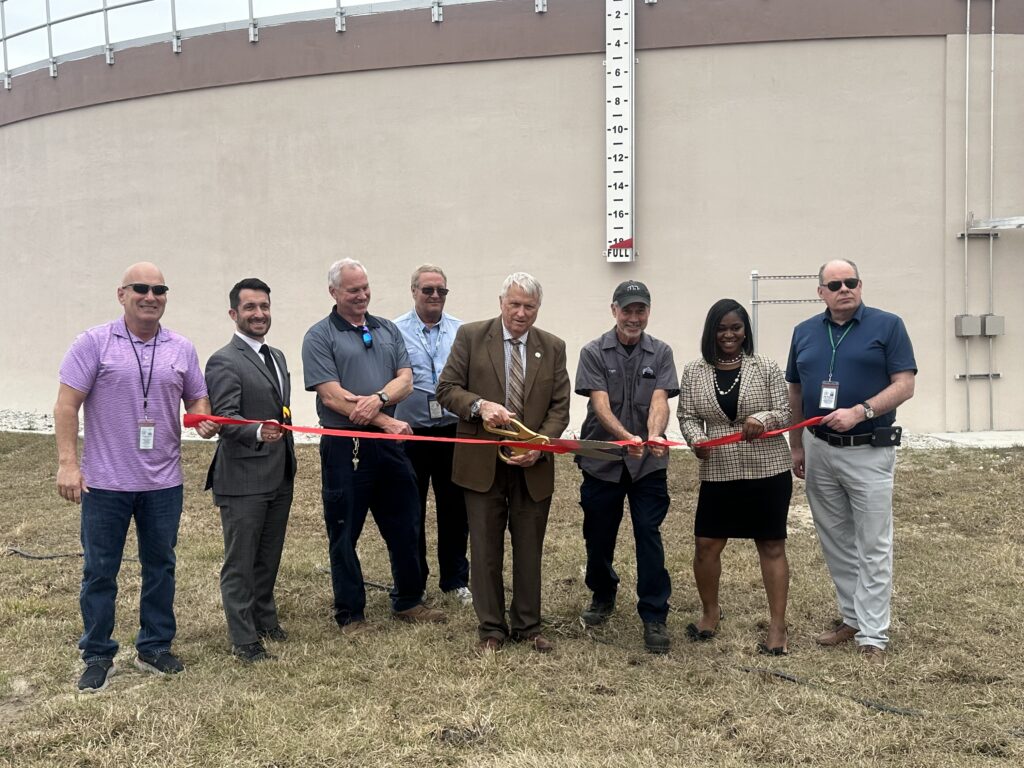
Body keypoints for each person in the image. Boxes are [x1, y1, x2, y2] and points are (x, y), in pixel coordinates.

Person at [54, 262, 219, 693]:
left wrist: (202, 419)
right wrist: (69, 463)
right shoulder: (94, 342)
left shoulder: (181, 347)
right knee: (100, 570)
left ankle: (154, 646)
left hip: (163, 482)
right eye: (141, 288)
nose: (151, 296)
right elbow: (66, 406)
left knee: (161, 566)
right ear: (122, 294)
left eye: (159, 288)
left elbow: (197, 398)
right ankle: (96, 653)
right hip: (105, 482)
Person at [302, 258, 445, 635]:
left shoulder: (386, 330)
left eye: (365, 287)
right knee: (344, 529)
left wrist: (377, 399)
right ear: (334, 293)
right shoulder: (319, 336)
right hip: (344, 447)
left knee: (406, 522)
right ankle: (351, 613)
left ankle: (409, 600)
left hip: (389, 448)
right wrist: (385, 418)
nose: (362, 295)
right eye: (353, 290)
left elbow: (407, 380)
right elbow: (333, 397)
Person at [786, 259, 916, 664]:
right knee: (836, 538)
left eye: (851, 282)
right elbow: (795, 391)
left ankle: (874, 635)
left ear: (861, 285)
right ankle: (852, 617)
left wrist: (861, 411)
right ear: (820, 292)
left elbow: (905, 384)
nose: (844, 289)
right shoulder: (804, 332)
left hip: (868, 447)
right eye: (835, 284)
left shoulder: (887, 326)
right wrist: (797, 445)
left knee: (873, 543)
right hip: (819, 448)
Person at [436, 272, 570, 653]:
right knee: (485, 548)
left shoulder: (553, 347)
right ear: (501, 303)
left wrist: (540, 445)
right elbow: (446, 389)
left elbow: (560, 406)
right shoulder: (472, 337)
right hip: (481, 466)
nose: (521, 313)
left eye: (529, 306)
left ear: (538, 309)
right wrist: (479, 406)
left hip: (532, 467)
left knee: (529, 548)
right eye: (514, 304)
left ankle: (529, 626)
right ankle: (491, 629)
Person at [677, 299, 793, 655]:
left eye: (736, 328)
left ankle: (777, 626)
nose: (729, 334)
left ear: (746, 331)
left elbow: (785, 411)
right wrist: (696, 439)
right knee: (706, 545)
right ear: (711, 331)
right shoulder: (694, 370)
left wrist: (765, 420)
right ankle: (710, 614)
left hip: (767, 469)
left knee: (771, 545)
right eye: (722, 328)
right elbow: (687, 415)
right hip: (718, 469)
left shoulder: (767, 367)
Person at [574, 280, 678, 654]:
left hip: (647, 465)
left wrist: (650, 439)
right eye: (627, 309)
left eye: (641, 310)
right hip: (602, 459)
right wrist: (625, 437)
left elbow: (660, 401)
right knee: (598, 533)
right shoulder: (593, 352)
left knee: (648, 534)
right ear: (614, 309)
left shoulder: (661, 352)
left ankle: (654, 614)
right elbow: (600, 405)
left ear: (648, 312)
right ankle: (602, 594)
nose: (634, 317)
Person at [204, 278, 296, 664]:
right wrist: (258, 430)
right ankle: (244, 639)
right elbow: (224, 418)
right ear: (234, 314)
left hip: (279, 473)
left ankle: (264, 619)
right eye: (250, 308)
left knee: (268, 555)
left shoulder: (276, 355)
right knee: (240, 560)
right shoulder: (224, 360)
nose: (259, 314)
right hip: (243, 478)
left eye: (264, 307)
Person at [394, 265, 471, 606]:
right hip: (412, 432)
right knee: (411, 509)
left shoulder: (461, 331)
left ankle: (455, 580)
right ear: (414, 292)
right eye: (428, 290)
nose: (435, 296)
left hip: (453, 431)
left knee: (455, 509)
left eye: (441, 290)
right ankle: (416, 580)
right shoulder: (394, 331)